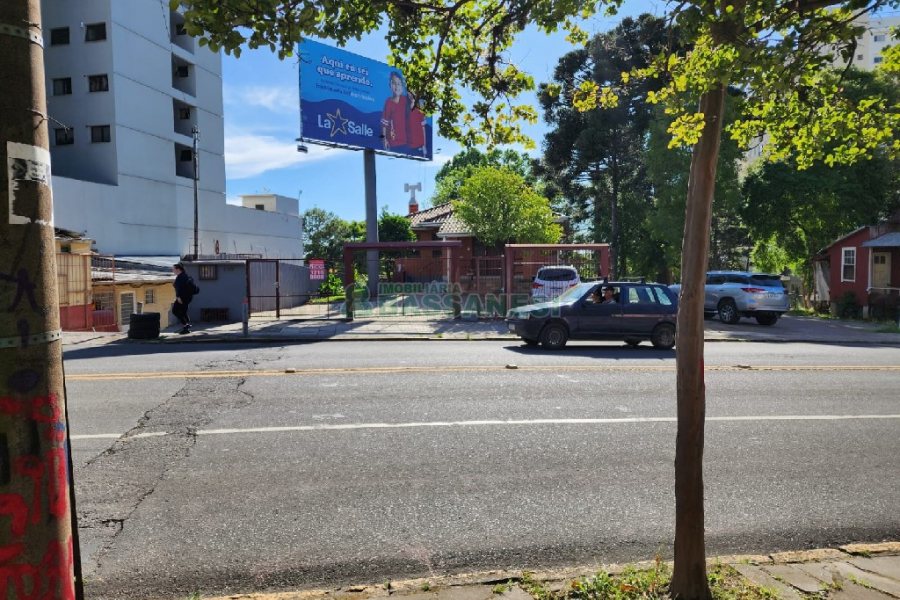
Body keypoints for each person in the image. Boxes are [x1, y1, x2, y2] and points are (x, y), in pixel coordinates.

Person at [381, 71, 408, 151]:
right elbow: (384, 124)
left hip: (407, 143)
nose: (396, 86)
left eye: (399, 84)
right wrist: (384, 139)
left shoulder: (405, 100)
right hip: (393, 143)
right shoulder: (388, 102)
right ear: (390, 85)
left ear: (402, 86)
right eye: (394, 83)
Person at [172, 263, 194, 334]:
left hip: (182, 298)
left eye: (173, 269)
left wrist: (178, 297)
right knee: (183, 312)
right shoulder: (184, 275)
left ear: (178, 269)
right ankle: (187, 324)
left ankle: (186, 326)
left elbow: (179, 288)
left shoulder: (181, 277)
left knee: (175, 311)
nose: (172, 270)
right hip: (187, 297)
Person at [407, 90, 427, 157]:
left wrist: (424, 145)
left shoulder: (420, 104)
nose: (410, 96)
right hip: (410, 140)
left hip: (419, 141)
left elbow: (423, 125)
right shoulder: (407, 105)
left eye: (411, 93)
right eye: (408, 94)